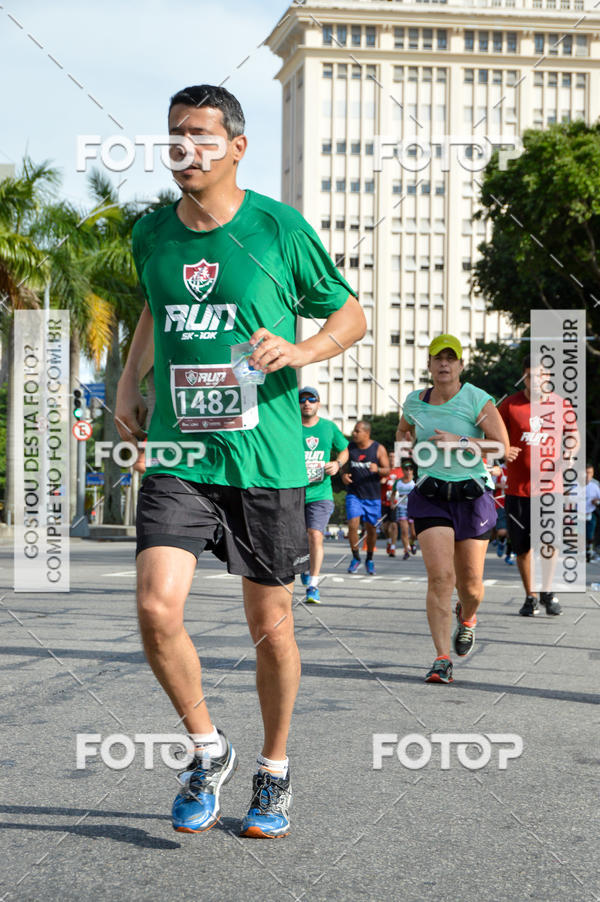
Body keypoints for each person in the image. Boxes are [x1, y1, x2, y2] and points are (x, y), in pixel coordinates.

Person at [115, 84, 365, 839]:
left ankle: (275, 770)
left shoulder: (277, 229)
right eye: (174, 136)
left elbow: (349, 315)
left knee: (272, 629)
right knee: (157, 610)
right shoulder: (152, 232)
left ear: (237, 147)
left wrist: (302, 348)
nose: (185, 149)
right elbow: (155, 314)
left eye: (200, 135)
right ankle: (206, 747)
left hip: (266, 460)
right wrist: (131, 381)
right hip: (181, 452)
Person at [397, 334, 509, 683]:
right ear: (429, 365)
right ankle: (442, 658)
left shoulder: (477, 399)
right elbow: (403, 431)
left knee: (471, 586)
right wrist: (406, 457)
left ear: (461, 365)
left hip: (472, 497)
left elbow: (501, 448)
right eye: (437, 358)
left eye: (451, 358)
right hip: (430, 495)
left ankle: (469, 616)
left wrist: (459, 440)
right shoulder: (415, 401)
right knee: (441, 577)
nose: (444, 364)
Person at [498, 357, 574, 617]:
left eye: (541, 376)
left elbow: (572, 436)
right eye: (530, 376)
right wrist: (504, 450)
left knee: (548, 544)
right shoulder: (510, 405)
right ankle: (530, 596)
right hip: (517, 490)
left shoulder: (561, 404)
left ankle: (548, 592)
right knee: (522, 547)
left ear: (549, 377)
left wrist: (570, 453)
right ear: (524, 378)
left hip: (550, 488)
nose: (536, 381)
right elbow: (493, 436)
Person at [299, 386, 349, 603]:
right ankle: (303, 563)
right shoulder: (289, 427)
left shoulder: (328, 428)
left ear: (319, 403)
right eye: (302, 399)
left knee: (316, 535)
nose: (307, 403)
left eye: (312, 399)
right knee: (297, 539)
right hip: (293, 493)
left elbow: (344, 450)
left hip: (321, 493)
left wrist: (337, 464)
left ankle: (313, 585)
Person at [342, 421, 390, 575]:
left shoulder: (378, 448)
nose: (354, 433)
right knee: (353, 525)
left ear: (367, 433)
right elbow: (343, 464)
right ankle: (356, 557)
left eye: (357, 431)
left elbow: (387, 470)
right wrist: (343, 474)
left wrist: (379, 469)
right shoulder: (350, 447)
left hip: (372, 496)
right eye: (354, 431)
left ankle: (369, 559)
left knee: (371, 529)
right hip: (354, 494)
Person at [391, 464, 417, 560]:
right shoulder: (398, 482)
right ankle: (407, 550)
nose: (408, 471)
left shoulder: (414, 483)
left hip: (412, 507)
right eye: (406, 469)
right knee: (404, 530)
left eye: (410, 469)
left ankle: (411, 543)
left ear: (412, 471)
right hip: (401, 507)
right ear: (403, 471)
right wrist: (392, 503)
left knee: (414, 533)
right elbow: (393, 494)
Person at [381, 452, 404, 556]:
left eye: (394, 457)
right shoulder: (384, 470)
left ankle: (393, 547)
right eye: (390, 457)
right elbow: (378, 482)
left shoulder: (401, 471)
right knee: (385, 527)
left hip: (395, 502)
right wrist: (382, 481)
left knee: (394, 525)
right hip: (384, 501)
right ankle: (389, 540)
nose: (392, 459)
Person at [585, 463, 600, 563]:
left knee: (590, 534)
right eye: (586, 473)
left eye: (590, 473)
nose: (587, 475)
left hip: (591, 512)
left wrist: (597, 502)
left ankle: (589, 552)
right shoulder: (574, 483)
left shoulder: (596, 484)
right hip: (577, 512)